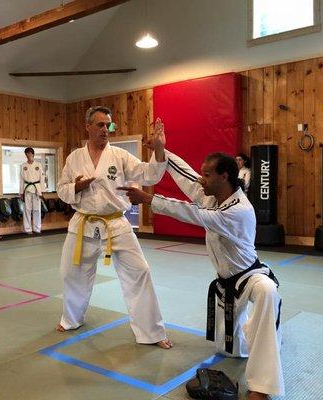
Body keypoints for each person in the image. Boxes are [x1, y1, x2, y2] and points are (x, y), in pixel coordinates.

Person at [119, 151, 284, 399]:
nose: (201, 180)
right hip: (225, 283)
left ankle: (262, 386)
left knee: (268, 292)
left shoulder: (239, 209)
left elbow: (192, 214)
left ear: (224, 176)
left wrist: (149, 200)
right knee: (231, 350)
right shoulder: (213, 197)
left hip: (249, 277)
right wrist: (163, 152)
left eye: (207, 175)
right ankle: (255, 332)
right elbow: (186, 176)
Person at [55, 106, 172, 349]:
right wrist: (77, 187)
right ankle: (71, 319)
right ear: (87, 126)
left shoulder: (119, 155)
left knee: (140, 272)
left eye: (108, 125)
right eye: (100, 125)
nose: (105, 130)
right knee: (71, 273)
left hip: (116, 222)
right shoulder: (74, 157)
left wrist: (159, 148)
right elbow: (61, 188)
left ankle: (151, 332)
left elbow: (148, 175)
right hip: (83, 222)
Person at [19, 147, 45, 234]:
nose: (28, 155)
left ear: (33, 154)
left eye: (30, 153)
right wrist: (21, 192)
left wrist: (41, 191)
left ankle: (37, 228)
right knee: (27, 209)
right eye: (27, 154)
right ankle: (27, 229)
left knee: (37, 209)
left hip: (37, 188)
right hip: (27, 188)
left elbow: (42, 178)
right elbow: (21, 180)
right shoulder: (23, 166)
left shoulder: (38, 165)